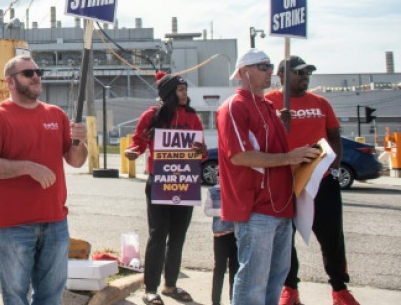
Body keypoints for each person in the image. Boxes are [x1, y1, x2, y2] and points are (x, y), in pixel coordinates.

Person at [0, 55, 88, 305]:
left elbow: (76, 160)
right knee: (16, 296)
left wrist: (81, 141)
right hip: (13, 224)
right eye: (28, 73)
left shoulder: (55, 115)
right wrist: (28, 168)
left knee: (51, 295)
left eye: (38, 71)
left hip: (55, 221)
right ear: (10, 82)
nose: (36, 76)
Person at [216, 49, 319, 305]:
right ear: (242, 72)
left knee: (275, 279)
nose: (269, 71)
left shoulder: (269, 107)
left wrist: (306, 160)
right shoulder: (233, 106)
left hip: (281, 208)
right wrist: (290, 158)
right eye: (262, 67)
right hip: (255, 208)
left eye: (270, 66)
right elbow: (239, 156)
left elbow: (277, 153)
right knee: (254, 281)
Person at [265, 56, 360, 305]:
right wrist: (278, 122)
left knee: (332, 238)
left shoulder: (321, 103)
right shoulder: (268, 103)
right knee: (285, 238)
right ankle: (290, 290)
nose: (305, 76)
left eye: (307, 72)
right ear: (281, 75)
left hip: (321, 181)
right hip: (284, 181)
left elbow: (334, 136)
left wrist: (333, 164)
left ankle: (340, 290)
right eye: (299, 72)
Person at [124, 72, 207, 305]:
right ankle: (151, 289)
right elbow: (138, 142)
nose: (185, 94)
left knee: (178, 237)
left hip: (186, 182)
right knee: (158, 235)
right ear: (169, 92)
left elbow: (201, 153)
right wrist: (132, 152)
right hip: (159, 182)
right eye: (181, 90)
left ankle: (170, 284)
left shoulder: (192, 117)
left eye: (186, 90)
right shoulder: (151, 116)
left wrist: (200, 150)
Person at [205, 184, 238, 305]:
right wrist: (224, 211)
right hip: (220, 235)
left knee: (235, 269)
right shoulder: (213, 191)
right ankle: (215, 301)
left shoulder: (237, 188)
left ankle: (233, 300)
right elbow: (207, 211)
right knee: (219, 268)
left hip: (236, 234)